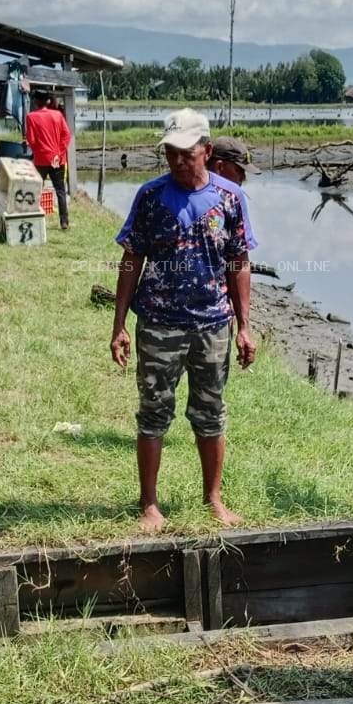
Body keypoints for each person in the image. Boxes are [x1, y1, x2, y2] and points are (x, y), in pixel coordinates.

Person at [110, 109, 257, 533]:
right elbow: (131, 259)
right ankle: (149, 503)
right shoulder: (151, 197)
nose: (177, 161)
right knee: (153, 412)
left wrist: (244, 326)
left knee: (211, 413)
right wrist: (119, 325)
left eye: (186, 153)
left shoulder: (231, 198)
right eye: (170, 153)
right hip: (159, 324)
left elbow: (239, 261)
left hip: (212, 324)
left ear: (207, 151)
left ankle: (214, 498)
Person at [23, 92, 72, 229]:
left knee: (36, 189)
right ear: (48, 101)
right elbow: (67, 136)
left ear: (36, 102)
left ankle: (33, 217)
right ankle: (64, 222)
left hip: (41, 160)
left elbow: (31, 140)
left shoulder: (31, 117)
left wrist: (38, 151)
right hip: (58, 160)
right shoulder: (58, 115)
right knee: (60, 191)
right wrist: (58, 153)